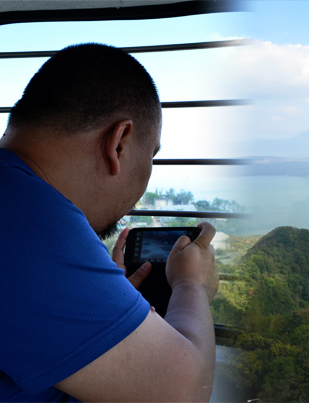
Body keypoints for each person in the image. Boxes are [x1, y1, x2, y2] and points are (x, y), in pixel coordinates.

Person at [0, 43, 219, 402]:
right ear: (119, 143)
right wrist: (193, 286)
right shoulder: (33, 220)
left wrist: (107, 306)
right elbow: (186, 393)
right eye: (151, 156)